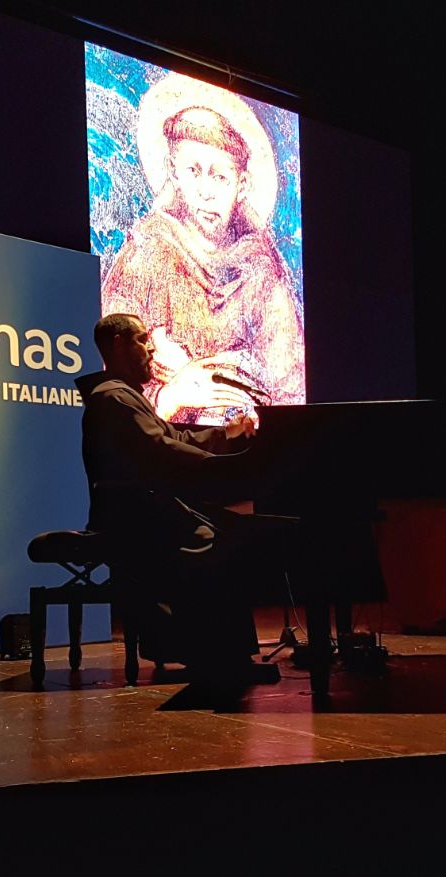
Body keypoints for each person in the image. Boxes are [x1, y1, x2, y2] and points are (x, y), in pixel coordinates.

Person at [74, 312, 268, 681]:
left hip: (141, 509)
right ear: (118, 344)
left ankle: (220, 654)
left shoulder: (125, 396)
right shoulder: (112, 398)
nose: (150, 349)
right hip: (129, 516)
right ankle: (212, 656)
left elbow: (172, 437)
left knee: (224, 533)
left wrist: (225, 436)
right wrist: (220, 465)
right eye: (142, 340)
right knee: (210, 541)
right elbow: (159, 448)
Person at [101, 101, 305, 424]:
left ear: (242, 185)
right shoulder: (145, 254)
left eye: (220, 177)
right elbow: (111, 379)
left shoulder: (260, 270)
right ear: (173, 172)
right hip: (163, 445)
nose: (206, 192)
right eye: (193, 171)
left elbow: (290, 386)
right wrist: (170, 396)